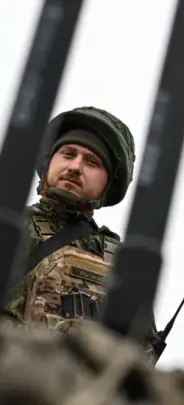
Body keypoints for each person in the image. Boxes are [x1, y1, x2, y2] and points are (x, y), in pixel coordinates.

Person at [4, 105, 164, 362]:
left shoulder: (121, 262)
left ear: (107, 184)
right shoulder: (11, 227)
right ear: (48, 163)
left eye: (92, 162)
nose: (75, 167)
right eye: (68, 154)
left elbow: (138, 356)